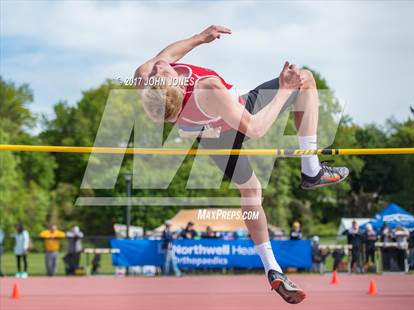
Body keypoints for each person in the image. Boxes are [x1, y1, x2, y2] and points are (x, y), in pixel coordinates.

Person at [134, 25, 350, 304]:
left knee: (251, 192)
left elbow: (167, 55)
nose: (158, 67)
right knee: (305, 79)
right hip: (235, 118)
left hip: (209, 137)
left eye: (155, 74)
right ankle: (311, 170)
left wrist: (200, 38)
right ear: (175, 85)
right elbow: (255, 128)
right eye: (161, 73)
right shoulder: (207, 89)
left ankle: (272, 268)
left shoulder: (147, 83)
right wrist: (285, 90)